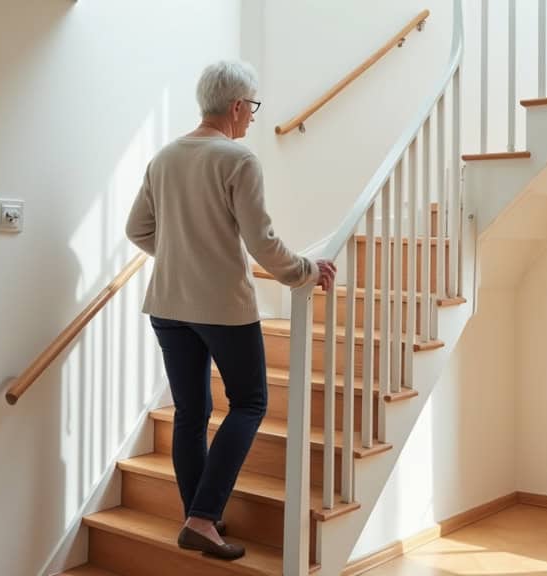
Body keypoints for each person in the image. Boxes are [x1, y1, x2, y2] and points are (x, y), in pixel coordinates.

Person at [126, 60, 337, 561]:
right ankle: (203, 518)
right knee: (249, 403)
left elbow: (138, 230)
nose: (253, 117)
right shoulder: (238, 159)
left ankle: (197, 515)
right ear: (237, 106)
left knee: (191, 413)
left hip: (168, 305)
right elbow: (262, 242)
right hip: (222, 307)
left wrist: (181, 257)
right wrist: (306, 270)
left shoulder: (165, 157)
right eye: (253, 107)